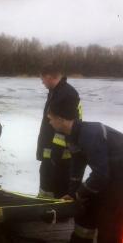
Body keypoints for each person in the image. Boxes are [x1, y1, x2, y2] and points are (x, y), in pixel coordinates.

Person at [48, 100, 123, 243]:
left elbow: (100, 175)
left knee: (109, 219)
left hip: (122, 178)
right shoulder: (72, 135)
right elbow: (77, 167)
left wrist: (80, 193)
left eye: (50, 118)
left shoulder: (91, 134)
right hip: (109, 173)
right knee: (86, 208)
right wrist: (73, 194)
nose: (50, 122)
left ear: (60, 119)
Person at [36, 64, 82, 199]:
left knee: (57, 180)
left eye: (42, 79)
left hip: (60, 152)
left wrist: (56, 153)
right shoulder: (56, 91)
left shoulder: (67, 95)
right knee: (46, 175)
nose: (42, 82)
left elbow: (66, 127)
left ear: (49, 77)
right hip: (51, 148)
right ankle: (45, 202)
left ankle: (58, 209)